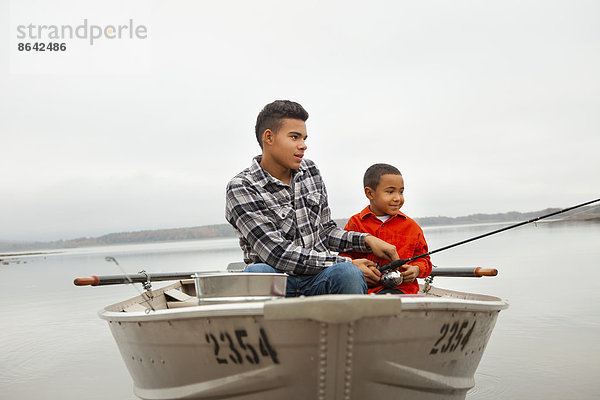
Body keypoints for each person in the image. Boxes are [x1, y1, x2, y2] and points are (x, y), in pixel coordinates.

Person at [225, 100, 399, 297]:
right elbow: (277, 253)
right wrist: (347, 262)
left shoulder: (310, 171)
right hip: (278, 280)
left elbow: (325, 232)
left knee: (347, 274)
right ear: (269, 137)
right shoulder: (242, 186)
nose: (303, 145)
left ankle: (352, 327)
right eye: (294, 137)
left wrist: (367, 240)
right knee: (257, 273)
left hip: (319, 277)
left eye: (304, 138)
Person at [341, 163, 432, 294]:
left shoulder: (412, 227)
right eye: (390, 192)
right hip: (365, 292)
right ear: (370, 193)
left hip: (403, 292)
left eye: (401, 192)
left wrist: (416, 270)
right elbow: (344, 257)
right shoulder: (355, 223)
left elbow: (425, 261)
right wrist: (357, 268)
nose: (397, 198)